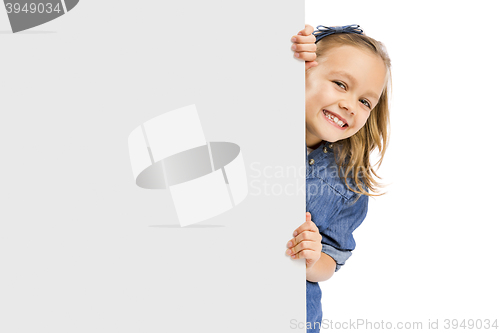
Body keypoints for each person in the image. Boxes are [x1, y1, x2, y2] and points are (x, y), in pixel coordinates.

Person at [285, 24, 392, 332]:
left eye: (365, 101)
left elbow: (329, 263)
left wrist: (312, 257)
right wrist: (286, 52)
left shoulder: (349, 183)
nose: (350, 105)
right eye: (341, 84)